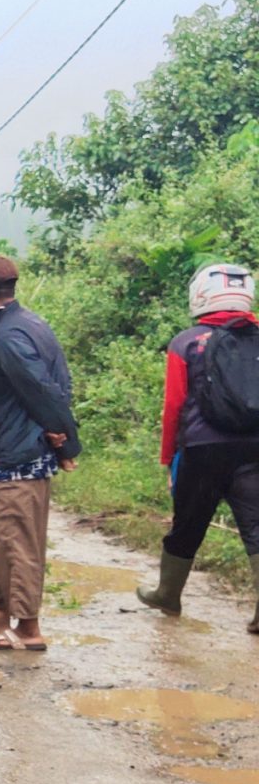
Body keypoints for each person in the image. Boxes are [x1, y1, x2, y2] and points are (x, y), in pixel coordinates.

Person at [0, 254, 79, 655]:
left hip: (21, 454)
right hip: (24, 451)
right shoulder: (28, 322)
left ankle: (28, 629)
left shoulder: (9, 336)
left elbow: (42, 390)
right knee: (6, 539)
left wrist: (68, 442)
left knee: (17, 541)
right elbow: (59, 381)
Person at [137, 260, 259, 631]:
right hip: (254, 447)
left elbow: (174, 405)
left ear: (201, 294)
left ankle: (168, 595)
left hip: (202, 448)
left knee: (187, 524)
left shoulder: (186, 342)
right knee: (256, 527)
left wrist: (168, 456)